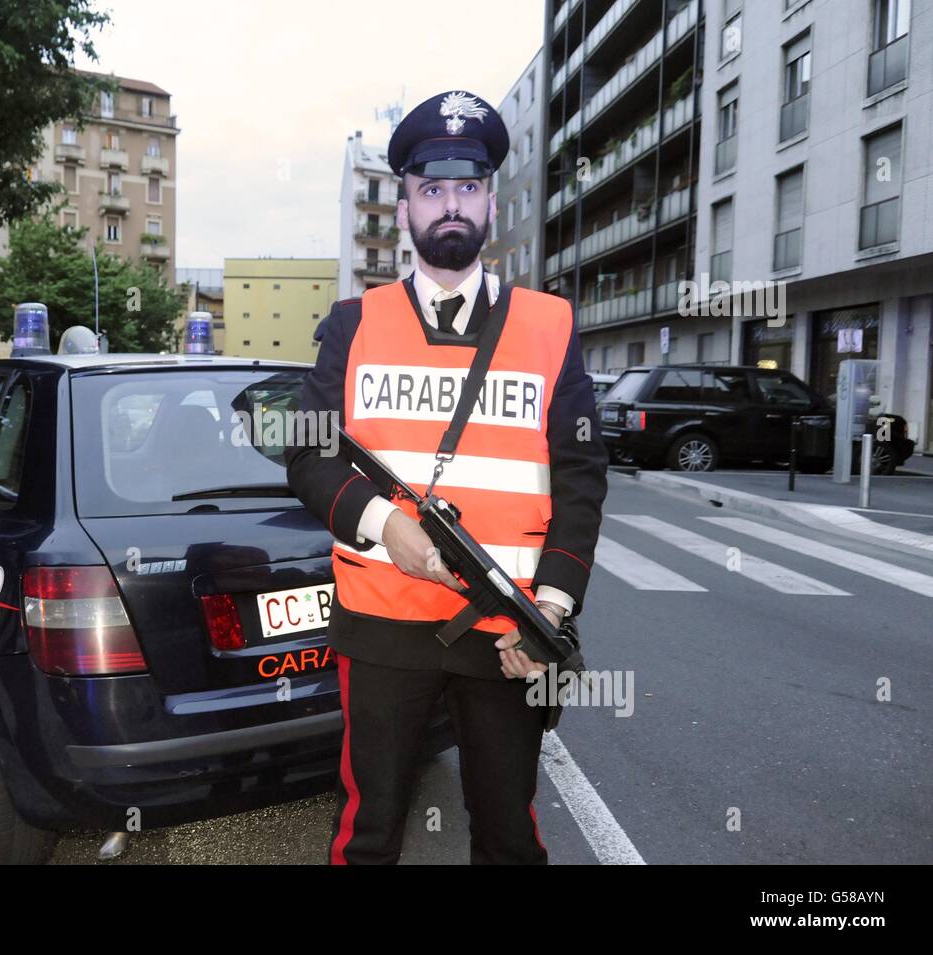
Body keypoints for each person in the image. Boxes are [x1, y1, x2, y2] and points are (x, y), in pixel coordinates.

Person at [285, 90, 608, 864]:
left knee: (509, 834)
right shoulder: (352, 324)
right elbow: (303, 450)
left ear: (491, 201)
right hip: (384, 629)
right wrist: (381, 523)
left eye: (467, 187)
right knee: (369, 831)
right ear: (404, 209)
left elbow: (581, 474)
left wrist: (550, 618)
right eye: (432, 190)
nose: (451, 205)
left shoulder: (549, 325)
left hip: (508, 633)